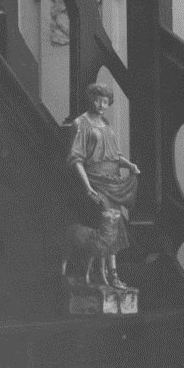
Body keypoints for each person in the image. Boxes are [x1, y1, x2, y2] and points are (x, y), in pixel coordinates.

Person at [66, 82, 139, 287]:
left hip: (112, 181)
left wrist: (130, 165)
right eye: (98, 100)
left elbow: (115, 156)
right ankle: (103, 273)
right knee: (106, 227)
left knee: (115, 226)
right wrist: (88, 187)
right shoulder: (80, 123)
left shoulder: (105, 123)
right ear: (91, 99)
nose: (101, 105)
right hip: (95, 181)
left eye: (105, 102)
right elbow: (77, 159)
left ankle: (111, 273)